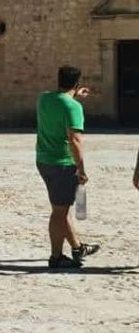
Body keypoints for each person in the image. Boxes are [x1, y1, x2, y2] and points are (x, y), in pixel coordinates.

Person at [36, 65, 99, 270]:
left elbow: (60, 101)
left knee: (62, 208)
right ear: (77, 83)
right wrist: (81, 168)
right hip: (62, 164)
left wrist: (74, 94)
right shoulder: (73, 107)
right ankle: (56, 257)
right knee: (59, 212)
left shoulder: (44, 98)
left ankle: (77, 247)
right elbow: (75, 140)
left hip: (43, 160)